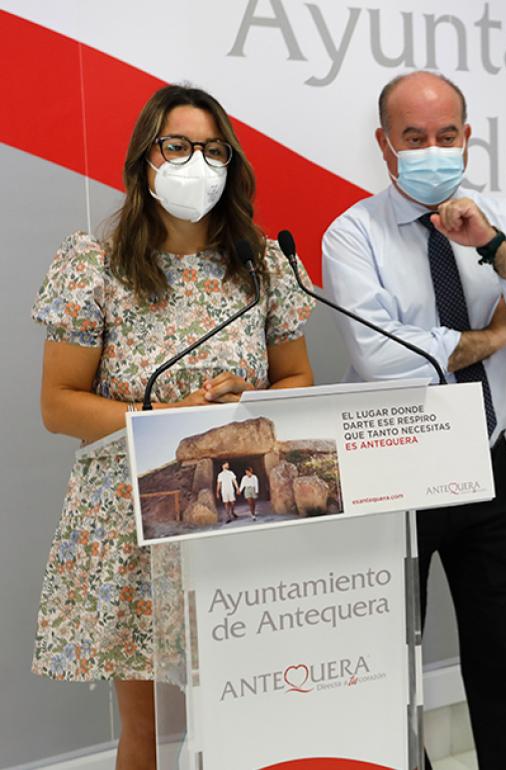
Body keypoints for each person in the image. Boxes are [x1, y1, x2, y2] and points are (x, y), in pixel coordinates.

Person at [32, 84, 316, 770]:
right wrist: (163, 421)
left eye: (214, 151)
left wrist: (250, 398)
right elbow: (60, 404)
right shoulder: (94, 263)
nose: (198, 164)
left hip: (242, 508)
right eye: (179, 146)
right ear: (145, 159)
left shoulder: (263, 265)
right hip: (135, 510)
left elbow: (298, 381)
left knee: (245, 705)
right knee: (146, 729)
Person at [322, 70, 506, 770]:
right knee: (390, 670)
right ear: (384, 145)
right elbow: (382, 358)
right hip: (394, 471)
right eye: (413, 138)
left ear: (467, 138)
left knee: (502, 661)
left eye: (445, 135)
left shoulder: (503, 219)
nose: (431, 150)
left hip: (487, 463)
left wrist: (493, 247)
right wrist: (493, 336)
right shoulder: (354, 234)